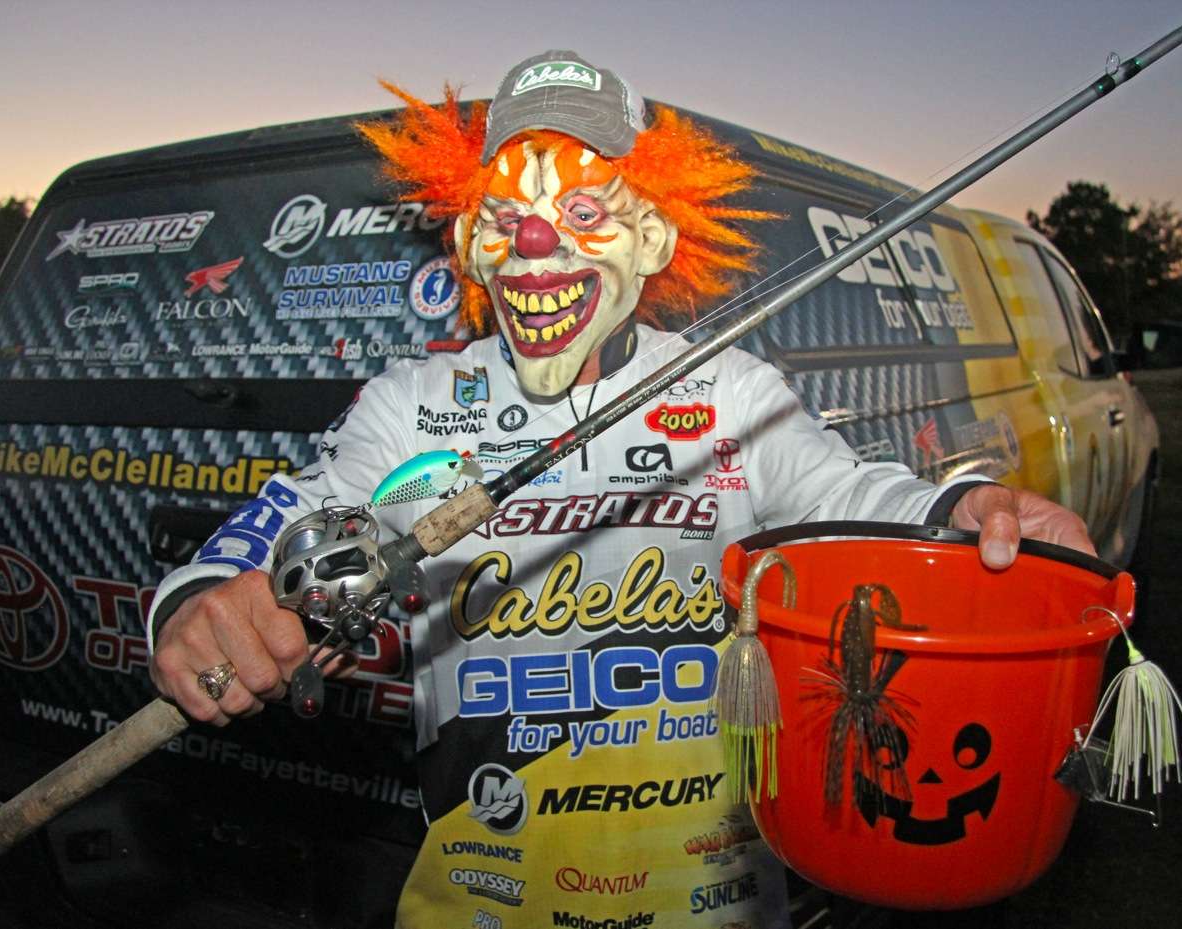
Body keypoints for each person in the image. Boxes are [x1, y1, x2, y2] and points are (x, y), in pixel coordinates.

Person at [147, 50, 1094, 928]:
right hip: (481, 901)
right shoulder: (413, 404)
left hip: (714, 904)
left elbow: (845, 498)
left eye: (583, 212)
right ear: (471, 244)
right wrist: (203, 600)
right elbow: (305, 511)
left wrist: (960, 511)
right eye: (504, 217)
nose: (534, 242)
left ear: (651, 238)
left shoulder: (731, 390)